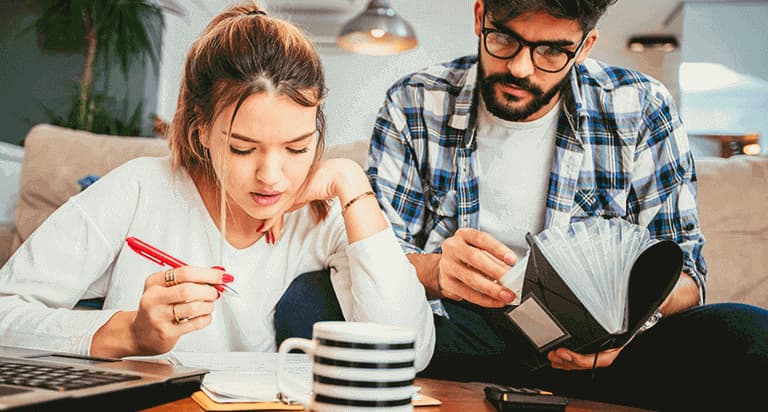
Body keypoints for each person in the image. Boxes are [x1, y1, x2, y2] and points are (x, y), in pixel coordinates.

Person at [364, 0, 768, 410]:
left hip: (610, 355)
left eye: (553, 51)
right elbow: (375, 257)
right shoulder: (415, 100)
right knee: (317, 297)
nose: (521, 68)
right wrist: (435, 272)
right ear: (479, 16)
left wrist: (627, 328)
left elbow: (688, 277)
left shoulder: (642, 107)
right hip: (465, 332)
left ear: (586, 45)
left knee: (751, 335)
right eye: (504, 37)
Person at [0, 1, 434, 371]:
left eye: (298, 148)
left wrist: (353, 183)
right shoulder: (140, 188)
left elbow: (409, 350)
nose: (272, 176)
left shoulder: (326, 215)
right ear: (201, 130)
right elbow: (5, 311)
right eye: (242, 149)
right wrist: (129, 333)